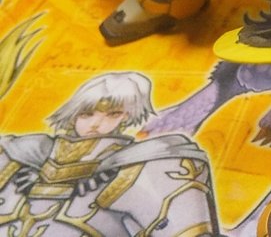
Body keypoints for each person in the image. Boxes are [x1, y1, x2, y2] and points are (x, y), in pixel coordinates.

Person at [0, 71, 219, 236]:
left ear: (126, 117)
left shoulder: (146, 163)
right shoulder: (21, 153)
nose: (96, 124)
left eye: (112, 114)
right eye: (87, 114)